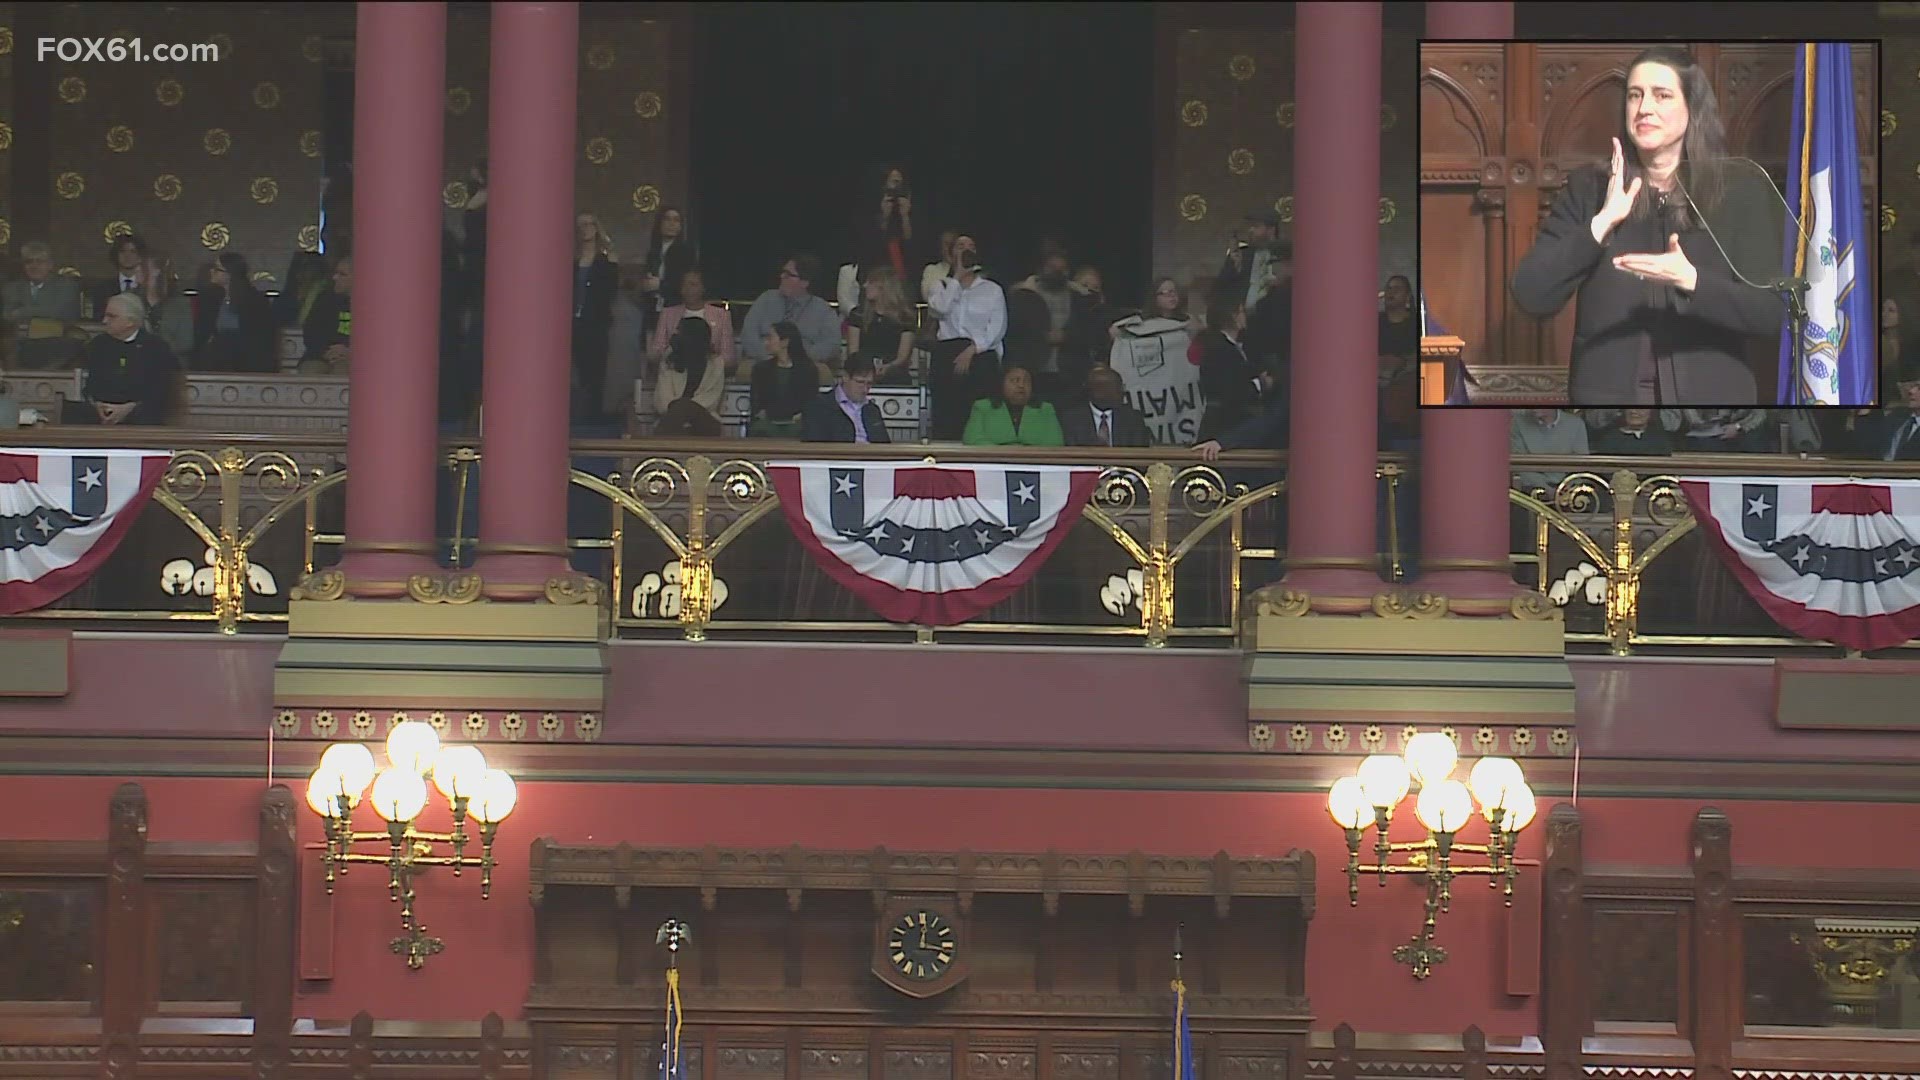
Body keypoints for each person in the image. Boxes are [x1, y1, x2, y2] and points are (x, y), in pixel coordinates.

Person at [1511, 45, 1783, 406]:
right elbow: (1531, 294)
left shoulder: (1738, 190)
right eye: (1635, 95)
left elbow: (1773, 314)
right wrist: (1601, 224)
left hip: (1715, 417)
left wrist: (1692, 282)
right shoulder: (1590, 188)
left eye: (1662, 95)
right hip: (1608, 415)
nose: (1644, 109)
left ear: (1692, 108)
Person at [926, 232, 1006, 440]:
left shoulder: (992, 289)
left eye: (970, 246)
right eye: (960, 246)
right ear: (952, 254)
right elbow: (940, 309)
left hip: (981, 354)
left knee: (981, 413)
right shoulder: (940, 286)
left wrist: (973, 349)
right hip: (947, 354)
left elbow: (997, 327)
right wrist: (957, 279)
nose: (965, 249)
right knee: (947, 414)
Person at [82, 293, 182, 425]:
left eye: (111, 316)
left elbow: (159, 391)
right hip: (101, 417)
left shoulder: (156, 347)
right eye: (105, 315)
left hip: (142, 418)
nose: (104, 321)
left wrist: (129, 408)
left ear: (130, 322)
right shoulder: (98, 344)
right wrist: (99, 405)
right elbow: (92, 384)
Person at [738, 254, 842, 366]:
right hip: (762, 362)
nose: (782, 276)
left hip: (803, 367)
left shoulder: (823, 311)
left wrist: (795, 358)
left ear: (804, 282)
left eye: (788, 274)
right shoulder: (766, 299)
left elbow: (832, 345)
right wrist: (768, 357)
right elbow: (748, 334)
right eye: (783, 272)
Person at [1196, 294, 1267, 442]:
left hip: (1232, 422)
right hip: (1223, 425)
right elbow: (1231, 389)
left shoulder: (1237, 347)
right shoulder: (1219, 348)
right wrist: (1260, 384)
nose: (1244, 316)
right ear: (1231, 316)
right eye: (1240, 312)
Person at [4, 242, 84, 369]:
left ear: (50, 265)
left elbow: (57, 312)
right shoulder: (12, 288)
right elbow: (6, 315)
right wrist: (42, 311)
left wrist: (23, 311)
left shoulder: (67, 286)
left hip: (56, 345)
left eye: (40, 261)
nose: (34, 266)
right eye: (29, 262)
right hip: (18, 346)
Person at [191, 252, 275, 372]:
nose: (211, 272)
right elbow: (204, 332)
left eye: (216, 269)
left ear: (229, 274)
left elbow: (260, 340)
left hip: (247, 363)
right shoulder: (211, 298)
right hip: (217, 362)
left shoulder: (255, 301)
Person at [571, 212, 620, 419]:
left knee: (596, 369)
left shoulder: (606, 259)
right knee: (577, 370)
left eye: (590, 224)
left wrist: (610, 254)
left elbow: (611, 290)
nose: (586, 228)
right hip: (572, 321)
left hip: (596, 321)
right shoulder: (571, 258)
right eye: (581, 224)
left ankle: (593, 414)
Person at [648, 268, 736, 375]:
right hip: (674, 375)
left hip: (709, 378)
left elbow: (728, 357)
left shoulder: (722, 316)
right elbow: (657, 350)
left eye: (693, 285)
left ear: (703, 288)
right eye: (684, 285)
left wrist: (708, 364)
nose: (687, 289)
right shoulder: (668, 314)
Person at [653, 314, 725, 437]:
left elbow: (711, 400)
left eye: (679, 331)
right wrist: (681, 411)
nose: (675, 335)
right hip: (672, 418)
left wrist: (686, 408)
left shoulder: (716, 363)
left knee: (683, 408)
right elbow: (663, 401)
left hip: (705, 420)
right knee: (677, 422)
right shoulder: (669, 360)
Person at [749, 321, 825, 437]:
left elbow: (811, 402)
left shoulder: (808, 370)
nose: (766, 342)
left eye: (770, 338)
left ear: (784, 342)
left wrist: (800, 415)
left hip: (797, 422)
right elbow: (756, 403)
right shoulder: (760, 369)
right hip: (768, 422)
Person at [845, 265, 917, 385]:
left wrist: (887, 367)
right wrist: (867, 369)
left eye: (870, 282)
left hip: (893, 371)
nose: (865, 286)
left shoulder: (905, 318)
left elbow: (902, 357)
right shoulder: (858, 314)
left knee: (896, 376)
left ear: (884, 288)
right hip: (863, 369)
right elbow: (853, 352)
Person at [962, 365, 1063, 447]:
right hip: (993, 464)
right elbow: (972, 439)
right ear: (1002, 384)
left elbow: (1055, 442)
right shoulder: (982, 407)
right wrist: (1006, 454)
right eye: (1015, 380)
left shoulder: (1045, 409)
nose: (1021, 385)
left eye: (1026, 381)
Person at [802, 353, 890, 444]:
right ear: (845, 377)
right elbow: (814, 446)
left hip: (873, 456)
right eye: (860, 382)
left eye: (869, 384)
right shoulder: (819, 406)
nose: (865, 389)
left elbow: (885, 446)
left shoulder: (872, 410)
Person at [1061, 364, 1152, 448]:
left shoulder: (1133, 418)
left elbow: (1139, 452)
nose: (1123, 391)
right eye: (1117, 386)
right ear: (1097, 389)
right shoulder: (1072, 420)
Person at [639, 206, 697, 339]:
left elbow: (687, 284)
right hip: (652, 312)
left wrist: (660, 285)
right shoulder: (653, 253)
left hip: (675, 311)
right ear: (660, 223)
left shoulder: (686, 252)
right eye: (667, 219)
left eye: (676, 220)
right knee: (651, 355)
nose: (671, 224)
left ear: (680, 226)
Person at [1378, 275, 1420, 446]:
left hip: (1405, 377)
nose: (1391, 293)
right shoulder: (1375, 321)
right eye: (1388, 288)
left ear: (1408, 296)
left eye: (1397, 289)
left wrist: (1402, 363)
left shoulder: (1416, 323)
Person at [301, 256, 352, 375]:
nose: (335, 278)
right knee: (311, 371)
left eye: (342, 274)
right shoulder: (325, 300)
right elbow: (311, 332)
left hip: (355, 358)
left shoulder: (373, 305)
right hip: (320, 356)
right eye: (336, 273)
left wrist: (349, 351)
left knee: (343, 372)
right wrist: (327, 351)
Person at [139, 256, 195, 358]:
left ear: (157, 271)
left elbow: (186, 343)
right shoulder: (130, 299)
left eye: (142, 266)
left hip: (171, 364)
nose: (137, 270)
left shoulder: (180, 304)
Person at [88, 233, 149, 319]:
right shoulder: (103, 288)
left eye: (133, 251)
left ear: (140, 257)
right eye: (123, 251)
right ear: (116, 255)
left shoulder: (148, 287)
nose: (127, 256)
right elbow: (98, 317)